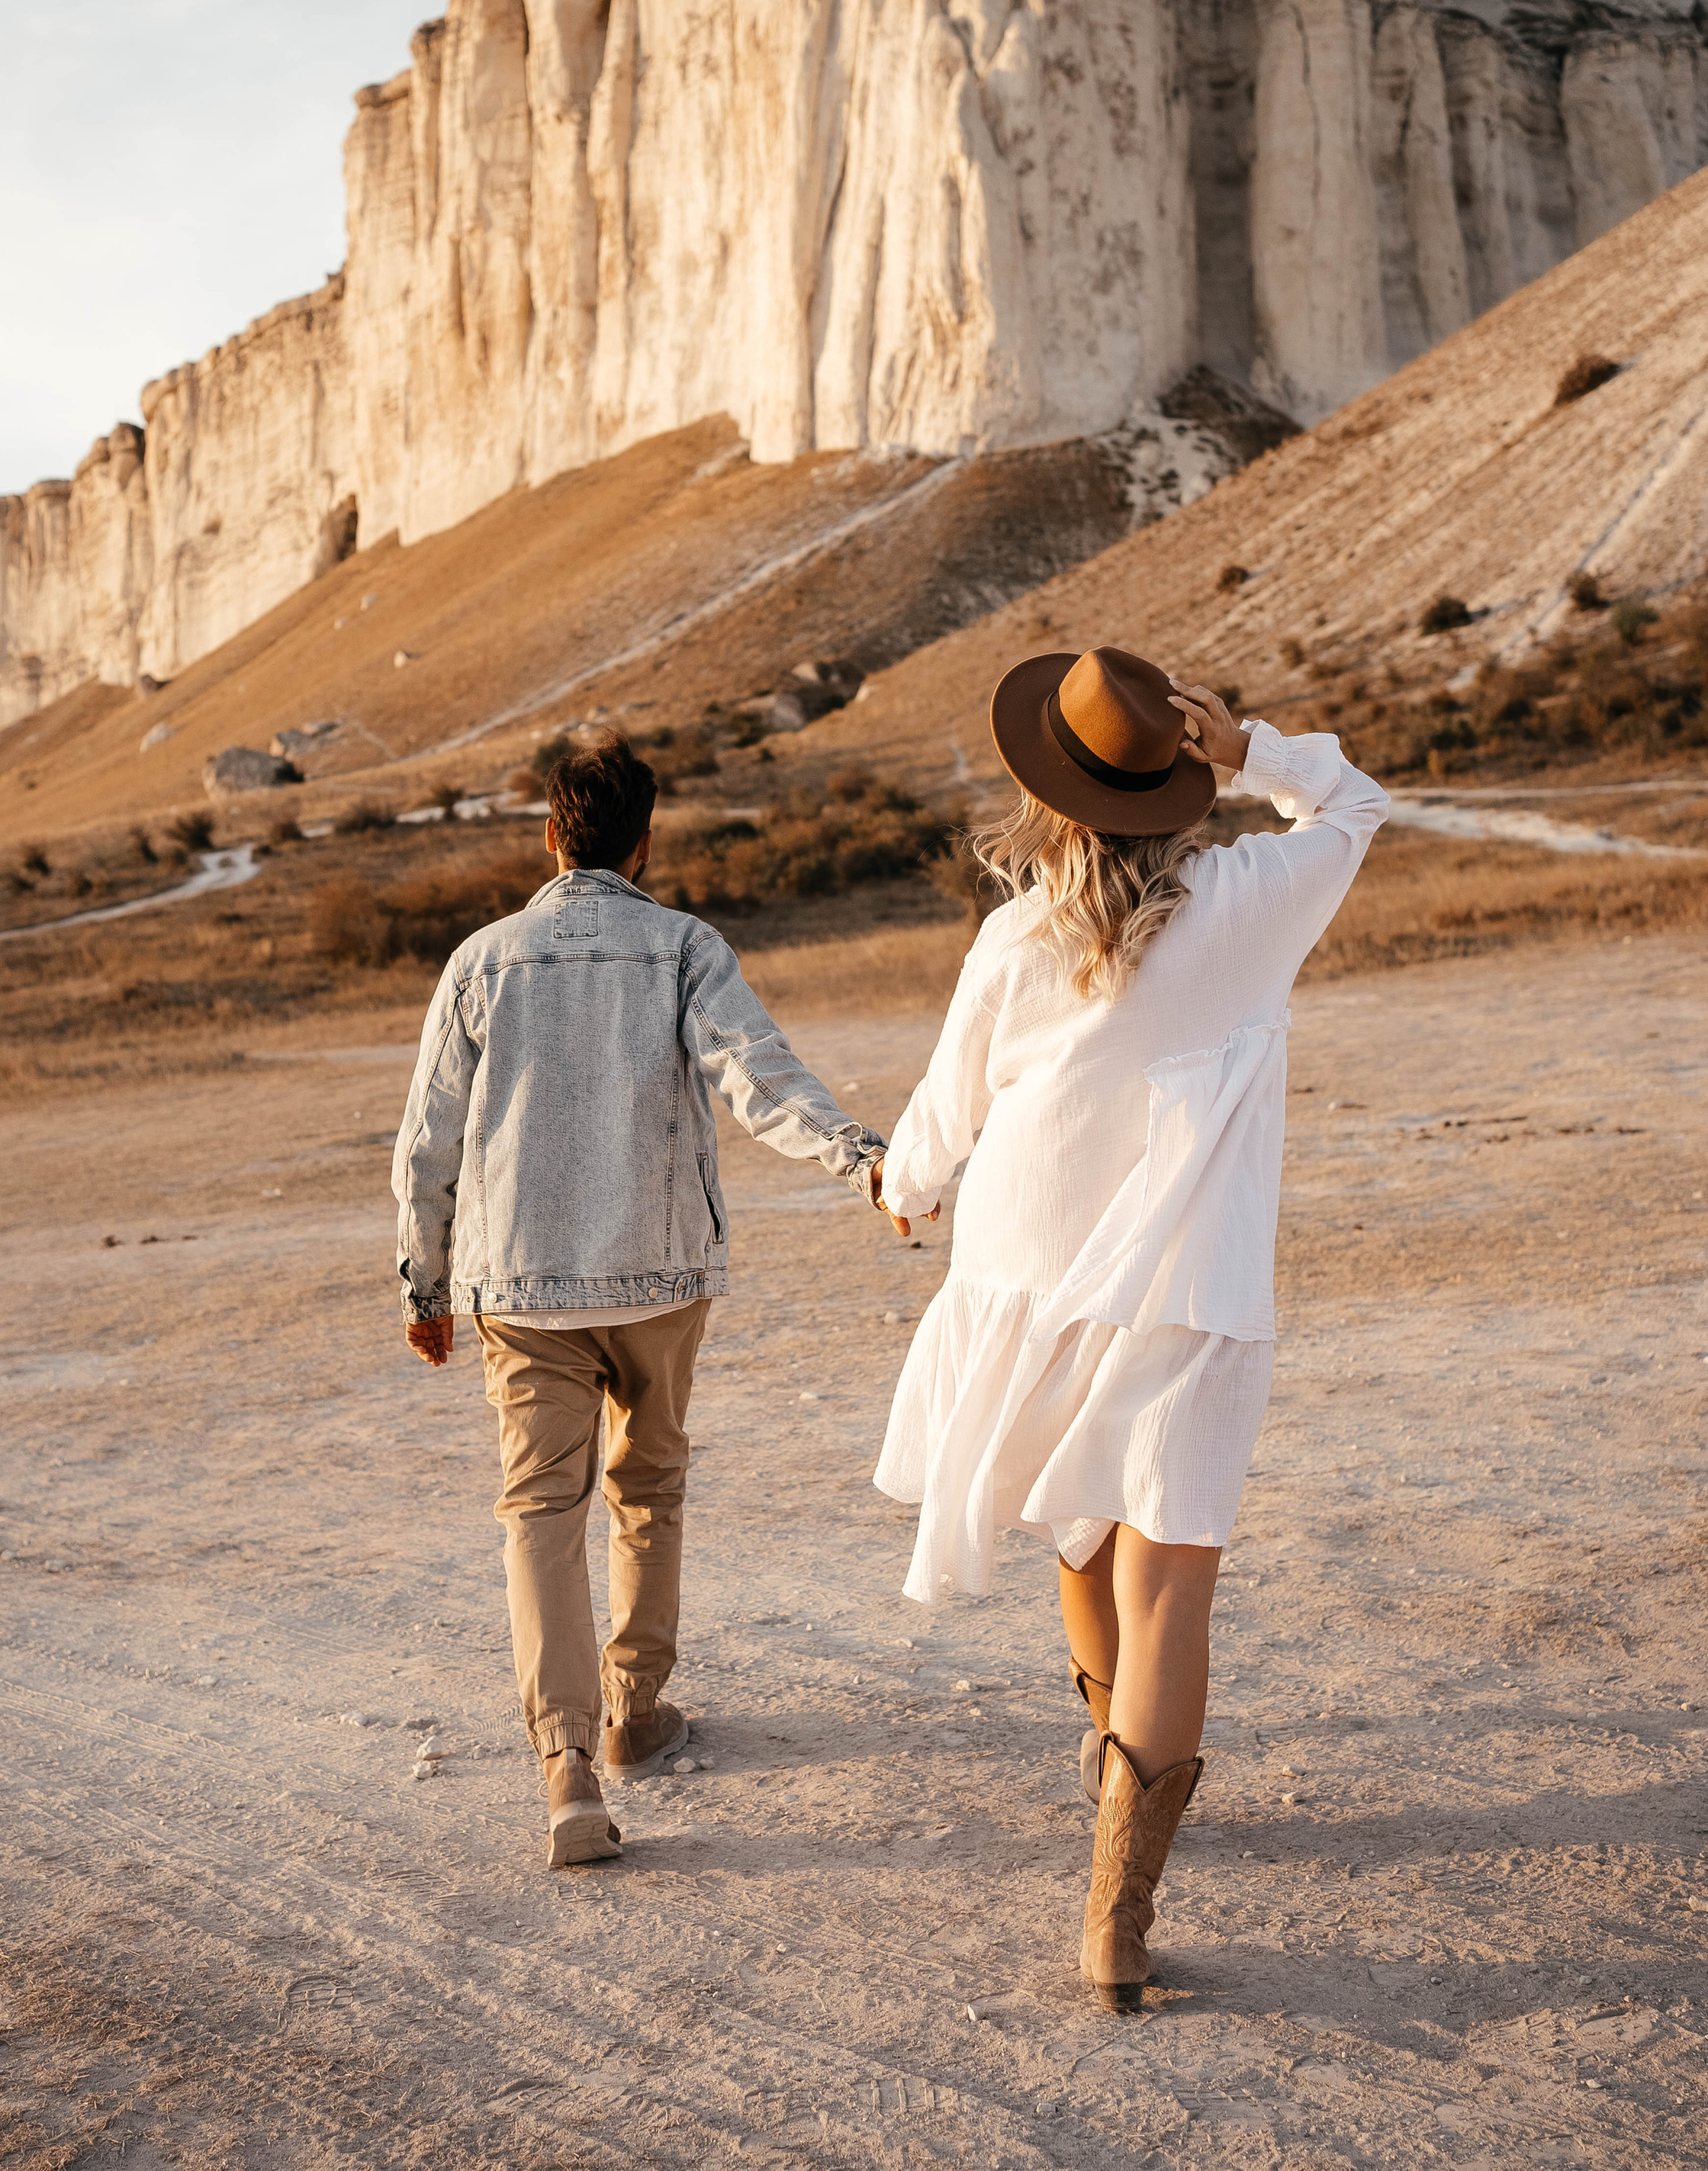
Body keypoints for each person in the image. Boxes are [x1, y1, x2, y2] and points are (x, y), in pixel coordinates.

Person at [869, 646, 1387, 2009]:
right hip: (1187, 1292)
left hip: (1033, 1279)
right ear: (1178, 779)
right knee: (1166, 1584)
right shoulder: (1251, 903)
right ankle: (1117, 1907)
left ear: (1050, 796)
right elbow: (1356, 808)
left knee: (1082, 1542)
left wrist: (901, 1187)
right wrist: (1254, 750)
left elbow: (943, 1116)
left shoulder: (1013, 940)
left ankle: (1119, 1772)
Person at [393, 730, 887, 1871]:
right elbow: (756, 1074)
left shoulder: (480, 961)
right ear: (645, 840)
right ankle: (634, 1715)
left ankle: (564, 1764)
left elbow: (429, 1145)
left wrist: (424, 1284)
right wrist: (858, 1154)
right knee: (649, 1487)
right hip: (660, 1276)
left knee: (539, 1514)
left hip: (517, 1286)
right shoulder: (681, 947)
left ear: (549, 835)